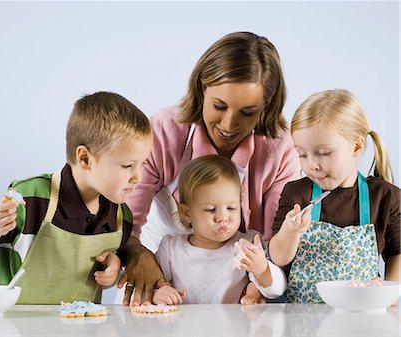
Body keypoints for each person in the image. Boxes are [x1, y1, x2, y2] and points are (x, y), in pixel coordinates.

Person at [118, 31, 300, 306]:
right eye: (219, 106)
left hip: (235, 283)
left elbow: (275, 241)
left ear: (266, 106)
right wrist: (137, 255)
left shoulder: (280, 147)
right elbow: (125, 219)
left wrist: (258, 284)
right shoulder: (165, 131)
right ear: (202, 90)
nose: (228, 125)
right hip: (160, 266)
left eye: (247, 112)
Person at [0, 91, 153, 304]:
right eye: (127, 166)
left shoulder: (120, 217)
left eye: (142, 164)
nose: (138, 177)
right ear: (84, 158)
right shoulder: (32, 198)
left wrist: (112, 268)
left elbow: (99, 269)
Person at [269, 89, 400, 303]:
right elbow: (278, 258)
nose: (312, 165)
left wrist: (389, 300)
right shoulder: (295, 194)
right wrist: (290, 231)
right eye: (302, 154)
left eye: (324, 153)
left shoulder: (385, 197)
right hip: (302, 320)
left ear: (356, 146)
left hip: (361, 316)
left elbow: (397, 252)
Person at [152, 155, 287, 305]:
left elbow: (277, 290)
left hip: (233, 328)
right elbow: (152, 286)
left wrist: (262, 270)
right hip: (184, 327)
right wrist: (159, 293)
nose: (223, 217)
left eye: (231, 208)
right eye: (210, 209)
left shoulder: (247, 244)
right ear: (187, 213)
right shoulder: (171, 249)